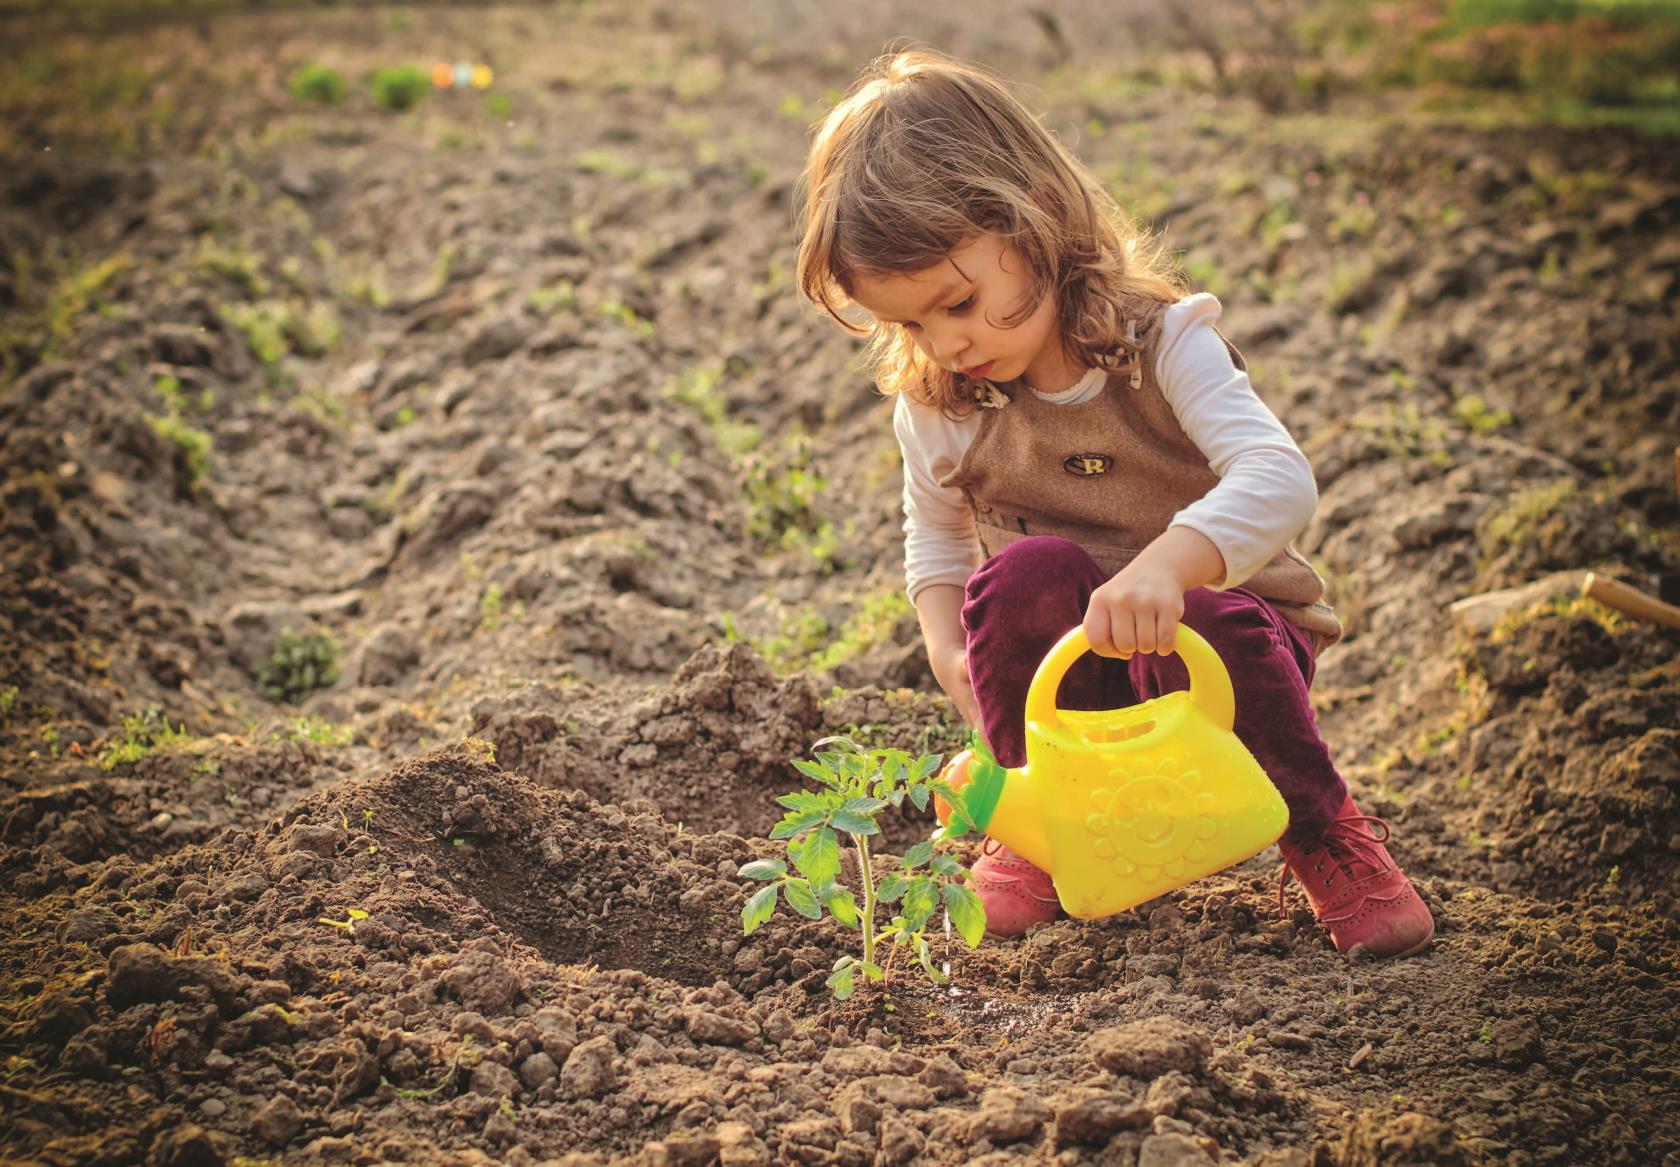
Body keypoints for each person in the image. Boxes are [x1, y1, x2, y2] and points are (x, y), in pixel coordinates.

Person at [793, 46, 1433, 959]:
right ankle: (1039, 828)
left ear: (1036, 222)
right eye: (911, 323)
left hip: (1221, 664)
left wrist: (1169, 567)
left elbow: (1279, 476)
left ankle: (1324, 832)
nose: (946, 341)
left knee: (1216, 616)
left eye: (961, 302)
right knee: (1022, 574)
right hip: (1067, 682)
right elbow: (933, 538)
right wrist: (946, 650)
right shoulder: (941, 400)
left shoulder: (1165, 344)